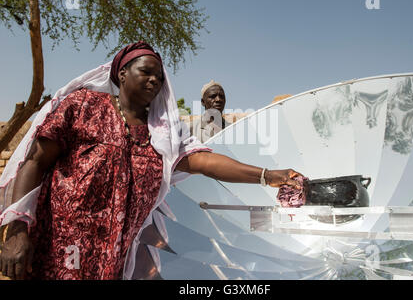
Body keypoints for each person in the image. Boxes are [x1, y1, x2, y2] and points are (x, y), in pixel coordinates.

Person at [0, 41, 307, 280]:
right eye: (145, 71)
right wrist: (16, 230)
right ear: (121, 73)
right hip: (56, 252)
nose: (154, 80)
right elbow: (35, 163)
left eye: (159, 76)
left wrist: (269, 174)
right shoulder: (81, 107)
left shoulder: (162, 133)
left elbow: (205, 162)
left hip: (112, 262)